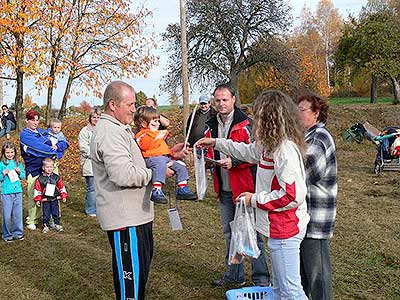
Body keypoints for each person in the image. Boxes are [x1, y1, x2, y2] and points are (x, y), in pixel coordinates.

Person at [197, 90, 310, 299]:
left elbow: (292, 196)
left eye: (258, 115)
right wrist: (216, 143)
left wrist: (254, 199)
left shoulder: (284, 149)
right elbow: (246, 151)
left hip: (285, 228)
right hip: (277, 227)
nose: (254, 120)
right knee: (278, 288)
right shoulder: (269, 144)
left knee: (291, 291)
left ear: (270, 118)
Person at [91, 81, 190, 300]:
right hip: (125, 220)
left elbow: (139, 160)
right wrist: (157, 175)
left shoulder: (120, 128)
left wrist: (167, 156)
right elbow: (123, 175)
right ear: (113, 104)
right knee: (131, 285)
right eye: (131, 104)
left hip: (137, 217)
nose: (134, 109)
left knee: (139, 276)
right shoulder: (110, 132)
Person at [204, 83, 270, 287]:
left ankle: (261, 278)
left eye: (225, 99)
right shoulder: (211, 124)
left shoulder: (247, 124)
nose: (221, 103)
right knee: (229, 234)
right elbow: (211, 149)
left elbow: (257, 154)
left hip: (245, 187)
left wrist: (235, 162)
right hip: (223, 187)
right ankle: (235, 275)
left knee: (253, 234)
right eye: (218, 100)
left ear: (233, 99)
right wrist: (206, 160)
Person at [297, 93, 338, 300]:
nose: (297, 114)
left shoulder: (320, 138)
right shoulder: (306, 136)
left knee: (318, 276)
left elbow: (307, 172)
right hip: (304, 218)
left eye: (302, 110)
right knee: (304, 274)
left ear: (316, 113)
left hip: (316, 218)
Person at [134, 105, 197, 204]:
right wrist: (158, 136)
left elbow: (163, 150)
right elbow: (146, 146)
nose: (158, 124)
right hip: (152, 158)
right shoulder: (142, 135)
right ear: (143, 123)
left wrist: (172, 153)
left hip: (164, 158)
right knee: (159, 165)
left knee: (181, 165)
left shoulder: (157, 134)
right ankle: (157, 189)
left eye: (158, 121)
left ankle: (182, 187)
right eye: (155, 121)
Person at [20, 110, 58, 231]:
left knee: (51, 193)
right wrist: (51, 150)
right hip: (33, 169)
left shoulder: (41, 132)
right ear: (27, 120)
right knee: (34, 195)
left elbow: (56, 141)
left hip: (47, 168)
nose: (35, 122)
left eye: (37, 120)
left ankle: (52, 218)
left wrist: (55, 147)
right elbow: (38, 148)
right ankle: (32, 220)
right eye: (32, 120)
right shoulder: (25, 135)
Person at [33, 158, 68, 233]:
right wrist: (37, 199)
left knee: (56, 212)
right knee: (46, 213)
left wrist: (63, 195)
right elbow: (37, 190)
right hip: (45, 200)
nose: (49, 169)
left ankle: (57, 224)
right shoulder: (40, 179)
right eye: (47, 167)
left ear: (53, 167)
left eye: (51, 167)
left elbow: (61, 187)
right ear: (43, 168)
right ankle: (46, 225)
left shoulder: (56, 177)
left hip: (55, 198)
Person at [0, 141, 26, 242]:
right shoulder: (1, 164)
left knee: (17, 213)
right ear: (3, 153)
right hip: (6, 193)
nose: (10, 154)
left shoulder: (18, 163)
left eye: (12, 152)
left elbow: (23, 176)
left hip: (18, 192)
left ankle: (18, 233)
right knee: (6, 214)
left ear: (15, 152)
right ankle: (7, 234)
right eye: (7, 152)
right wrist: (2, 174)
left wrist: (19, 172)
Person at [78, 109, 101, 217]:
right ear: (90, 118)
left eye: (98, 117)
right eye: (94, 117)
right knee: (92, 188)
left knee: (101, 187)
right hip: (89, 162)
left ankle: (99, 208)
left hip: (102, 163)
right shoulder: (85, 131)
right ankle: (91, 209)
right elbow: (83, 147)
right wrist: (96, 153)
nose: (96, 119)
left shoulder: (103, 130)